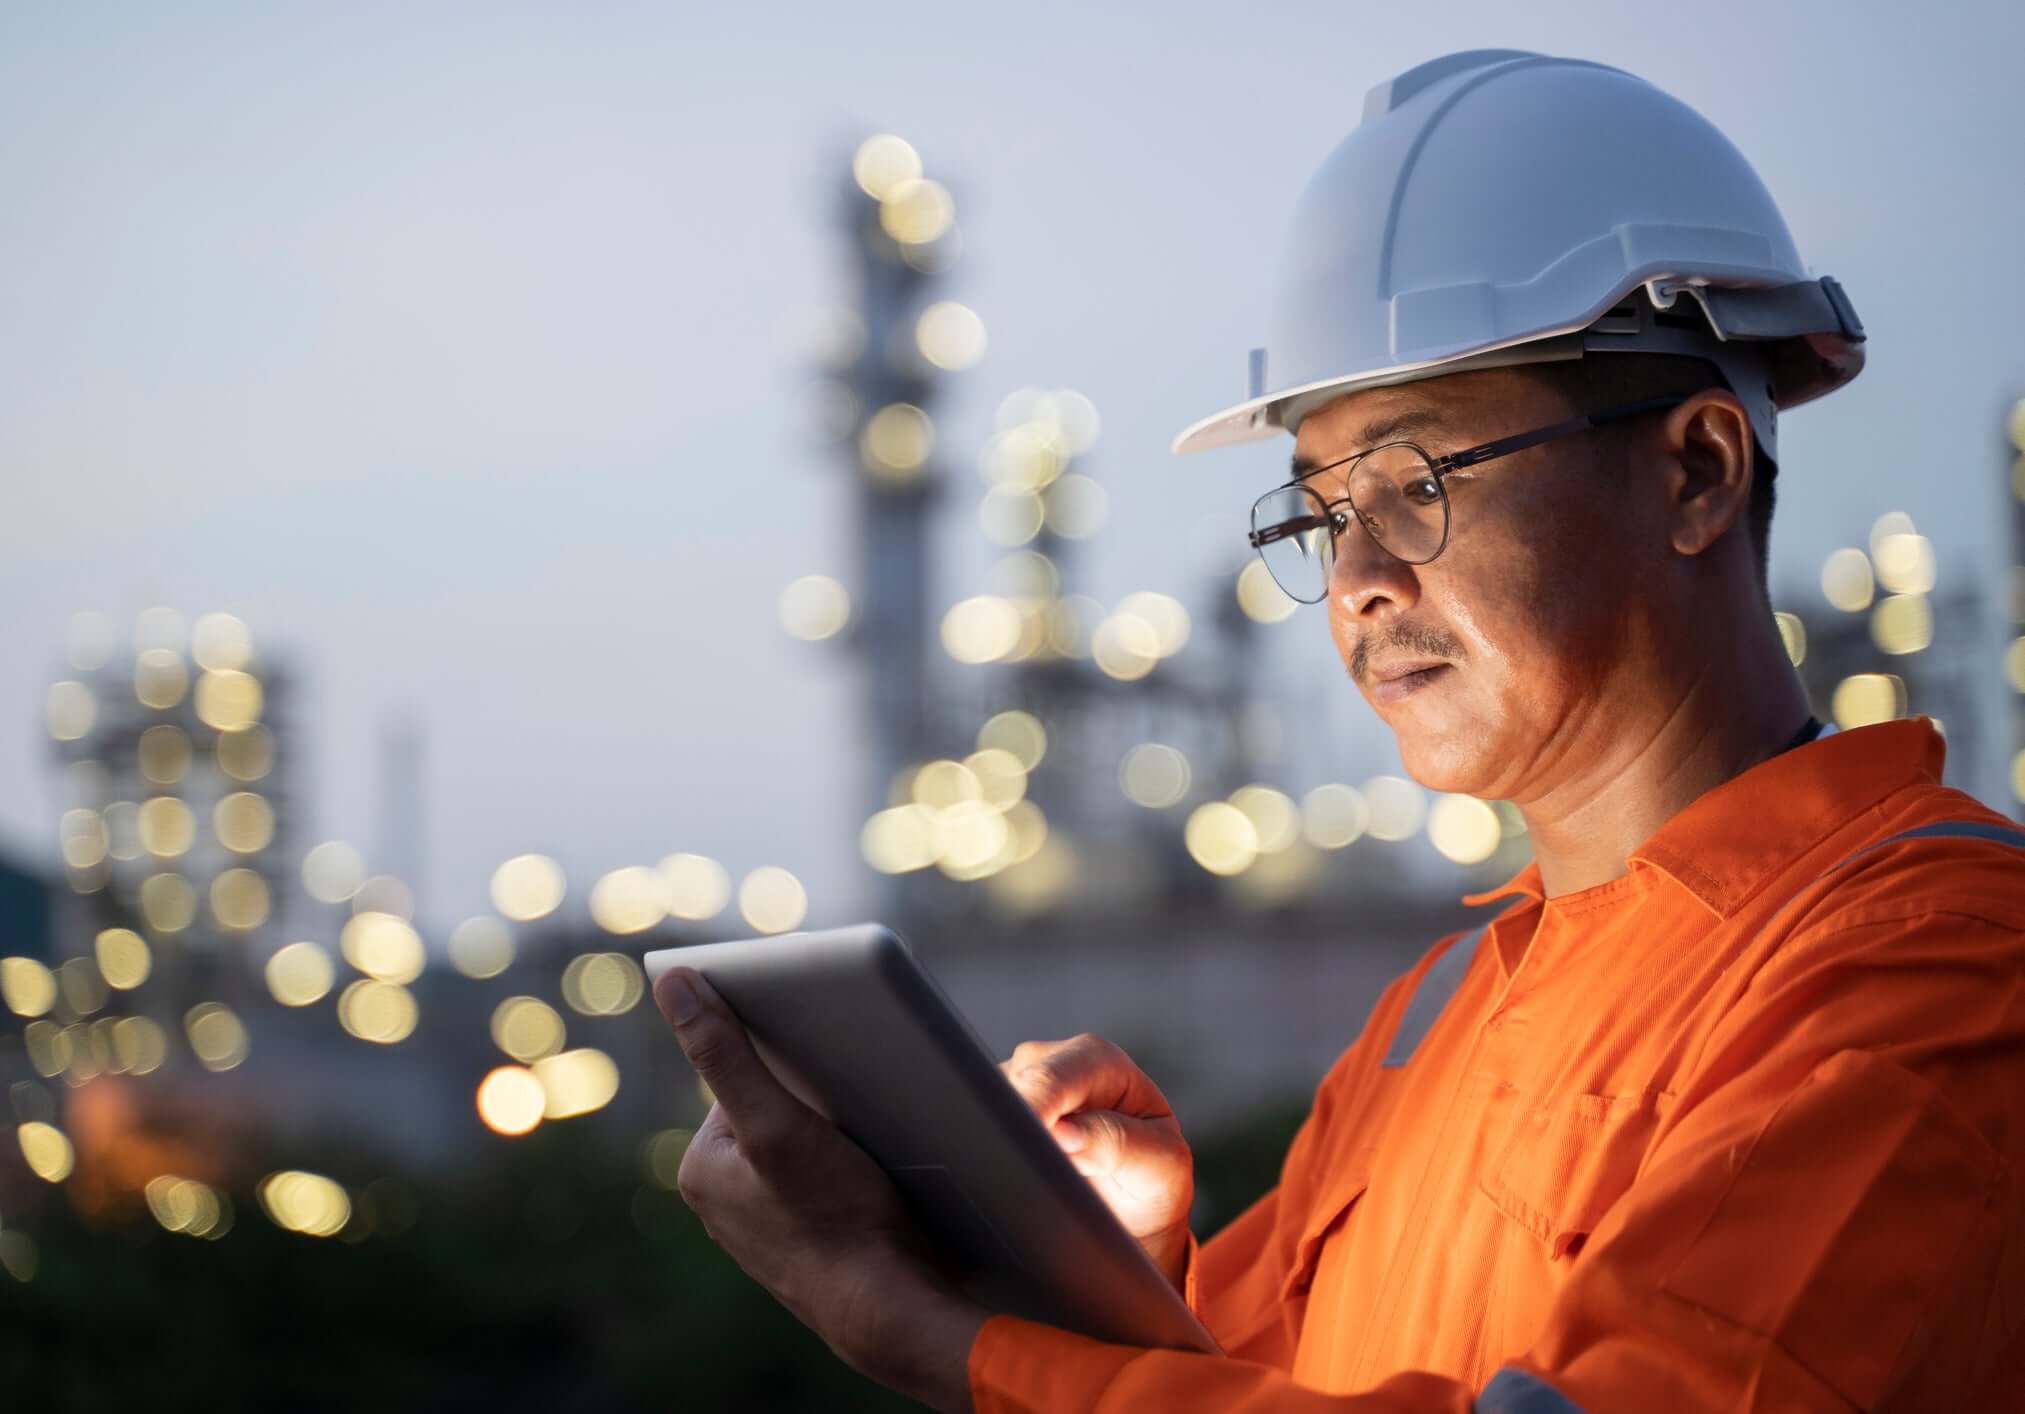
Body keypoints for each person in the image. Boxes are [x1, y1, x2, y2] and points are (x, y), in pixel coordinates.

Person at [650, 49, 2025, 1412]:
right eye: (1319, 511)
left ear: (1694, 470)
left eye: (1414, 479)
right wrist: (1097, 1273)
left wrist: (953, 1346)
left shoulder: (1935, 965)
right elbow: (1260, 1384)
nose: (1359, 576)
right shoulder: (1433, 1015)